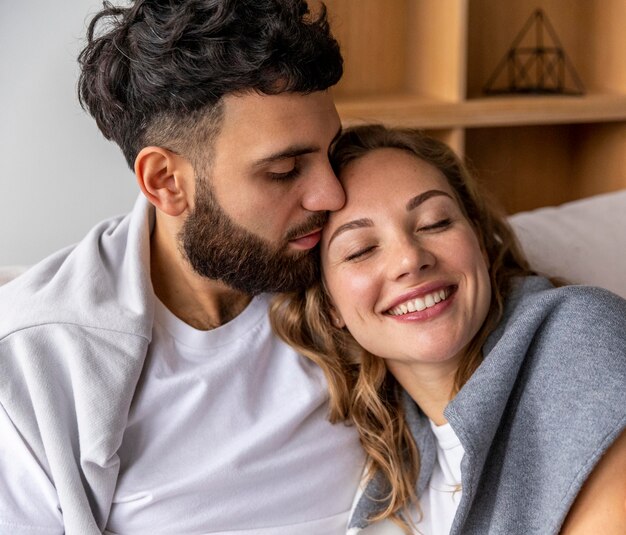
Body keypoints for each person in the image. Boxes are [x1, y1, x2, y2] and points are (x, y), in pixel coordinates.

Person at [0, 1, 366, 533]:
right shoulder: (35, 364)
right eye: (284, 171)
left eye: (331, 154)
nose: (332, 194)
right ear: (166, 182)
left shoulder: (357, 273)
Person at [271, 124, 626, 534]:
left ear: (478, 236)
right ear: (331, 305)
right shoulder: (390, 480)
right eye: (362, 249)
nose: (409, 259)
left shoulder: (582, 340)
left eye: (435, 223)